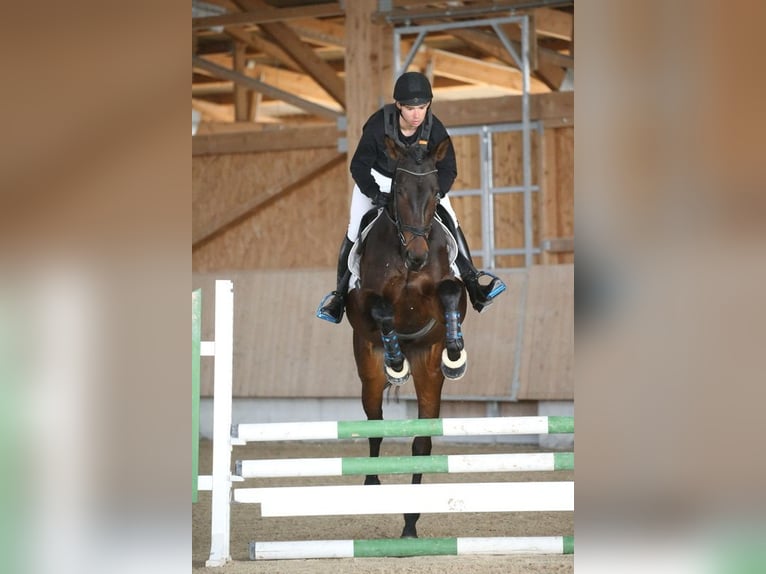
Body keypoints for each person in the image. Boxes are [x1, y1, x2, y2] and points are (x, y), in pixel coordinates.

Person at [316, 71, 506, 324]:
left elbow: (448, 168)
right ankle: (339, 297)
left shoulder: (434, 126)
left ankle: (473, 284)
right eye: (410, 108)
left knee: (452, 221)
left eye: (422, 107)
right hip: (378, 180)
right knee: (354, 229)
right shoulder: (378, 125)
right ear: (398, 106)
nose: (417, 114)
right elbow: (359, 166)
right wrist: (375, 193)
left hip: (421, 186)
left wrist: (436, 194)